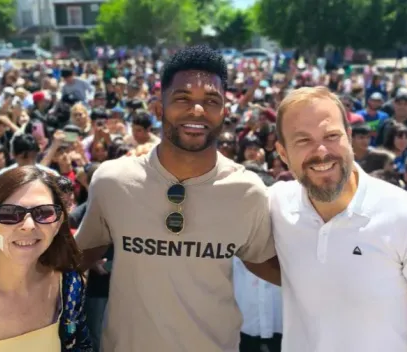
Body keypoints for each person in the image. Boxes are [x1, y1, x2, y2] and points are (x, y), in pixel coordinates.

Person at [75, 45, 280, 352]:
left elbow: (270, 265)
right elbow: (77, 258)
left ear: (225, 111)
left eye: (211, 101)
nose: (197, 110)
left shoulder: (248, 191)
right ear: (158, 107)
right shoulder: (112, 181)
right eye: (183, 98)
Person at [271, 86, 407, 351]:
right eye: (303, 140)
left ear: (349, 136)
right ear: (282, 153)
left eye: (332, 135)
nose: (321, 151)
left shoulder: (406, 216)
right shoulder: (275, 205)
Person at [0, 166, 91, 351]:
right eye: (9, 213)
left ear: (59, 222)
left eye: (44, 212)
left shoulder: (69, 286)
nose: (28, 225)